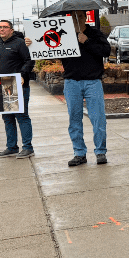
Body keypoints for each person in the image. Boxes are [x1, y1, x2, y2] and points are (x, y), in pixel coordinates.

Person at [26, 14, 112, 167]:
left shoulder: (95, 33)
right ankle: (79, 153)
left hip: (93, 82)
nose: (75, 19)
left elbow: (106, 51)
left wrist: (87, 41)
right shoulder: (64, 35)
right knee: (74, 119)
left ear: (85, 17)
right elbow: (47, 47)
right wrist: (32, 44)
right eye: (72, 17)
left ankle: (100, 152)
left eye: (78, 16)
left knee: (98, 119)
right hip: (71, 82)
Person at [0, 19, 35, 157]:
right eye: (0, 27)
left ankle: (28, 147)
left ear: (11, 30)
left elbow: (29, 60)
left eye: (5, 27)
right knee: (7, 117)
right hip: (2, 86)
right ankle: (12, 147)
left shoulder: (20, 43)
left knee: (21, 116)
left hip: (18, 86)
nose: (1, 29)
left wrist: (22, 74)